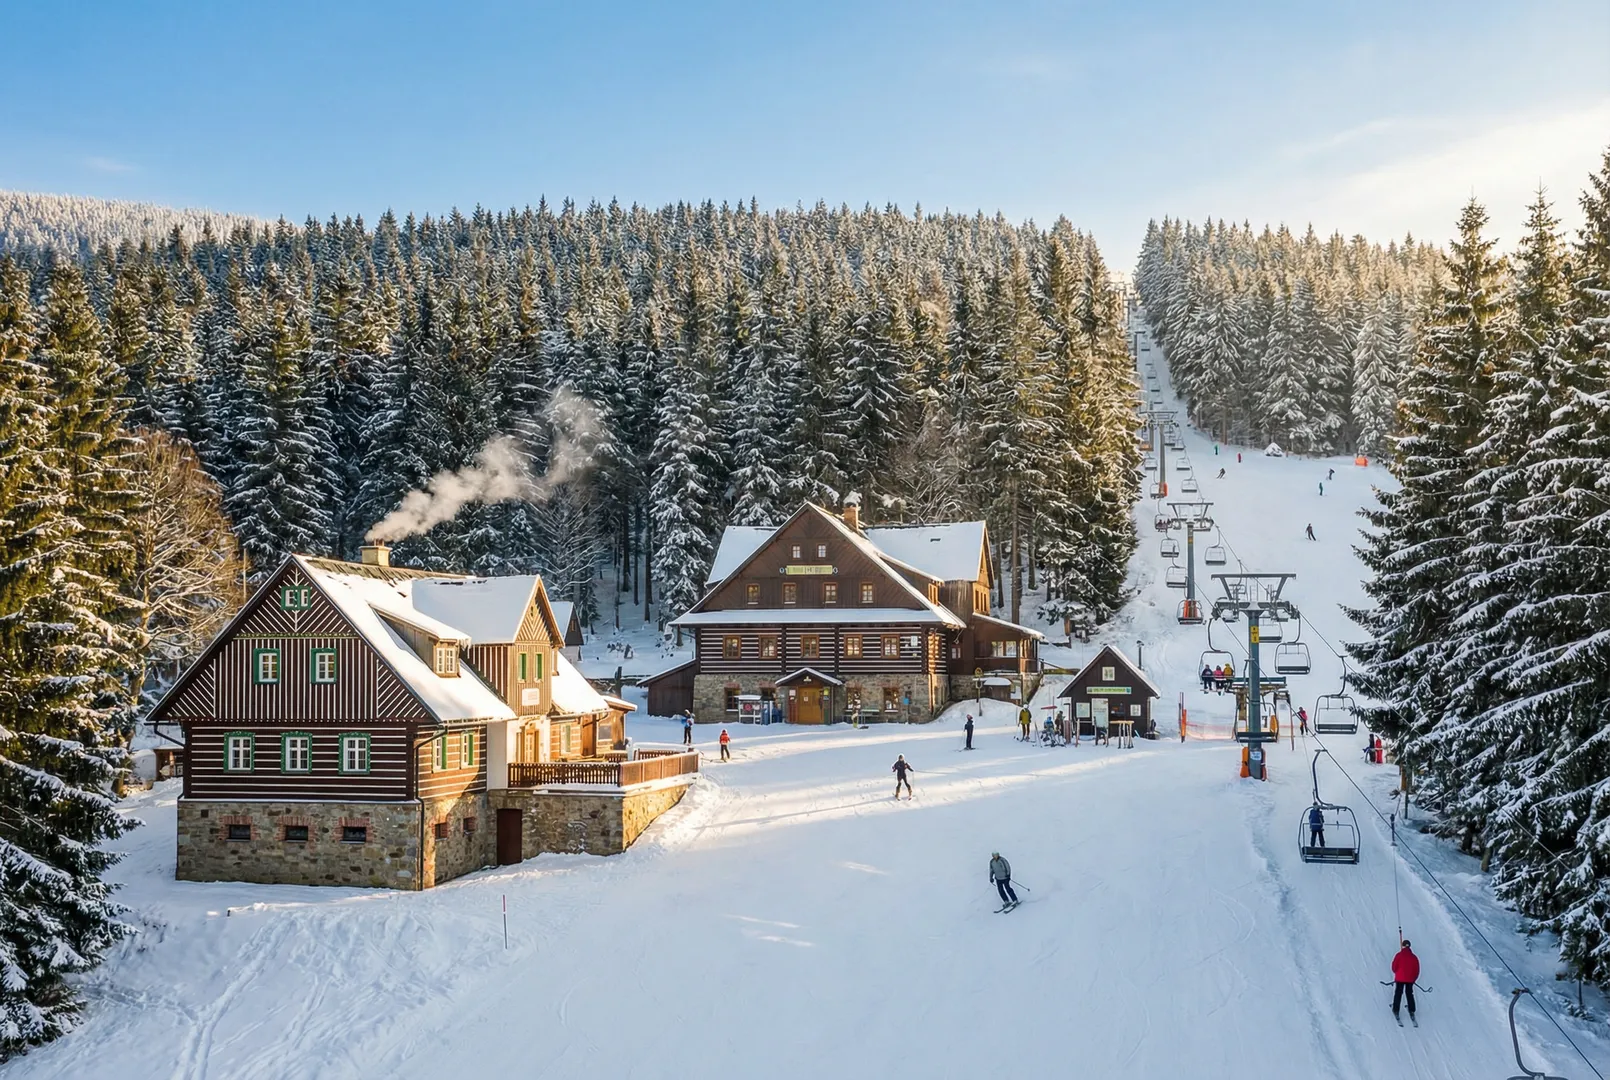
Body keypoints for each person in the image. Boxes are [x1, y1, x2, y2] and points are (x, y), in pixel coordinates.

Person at [1391, 940, 1420, 1024]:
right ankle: (1412, 1009)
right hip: (1410, 979)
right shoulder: (1414, 957)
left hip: (1400, 978)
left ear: (1403, 946)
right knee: (1409, 994)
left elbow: (1394, 967)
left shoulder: (1399, 955)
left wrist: (1398, 973)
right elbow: (1417, 970)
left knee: (1398, 993)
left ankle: (1396, 1009)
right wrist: (1414, 979)